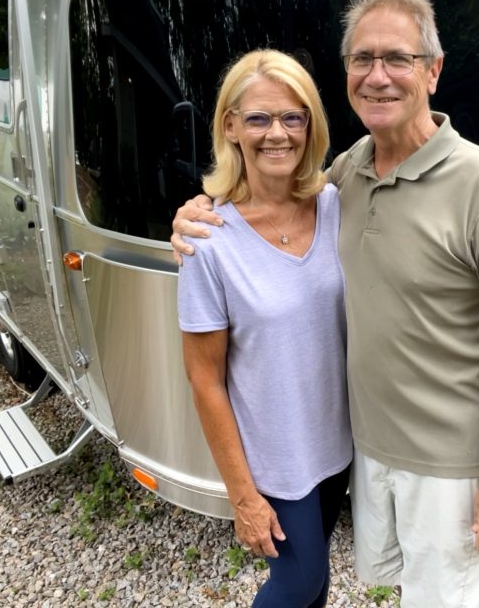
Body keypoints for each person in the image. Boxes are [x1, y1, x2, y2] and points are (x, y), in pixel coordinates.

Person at [172, 0, 479, 607]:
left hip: (452, 469)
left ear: (433, 70)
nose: (378, 76)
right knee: (355, 586)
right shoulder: (348, 177)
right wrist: (196, 211)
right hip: (367, 455)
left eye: (398, 58)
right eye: (362, 59)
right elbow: (263, 204)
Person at [177, 49, 352, 608]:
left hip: (338, 445)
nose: (277, 133)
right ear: (231, 126)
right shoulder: (208, 240)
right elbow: (205, 380)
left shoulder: (336, 205)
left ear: (310, 126)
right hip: (275, 460)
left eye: (292, 117)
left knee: (316, 581)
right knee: (297, 582)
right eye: (258, 118)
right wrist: (242, 495)